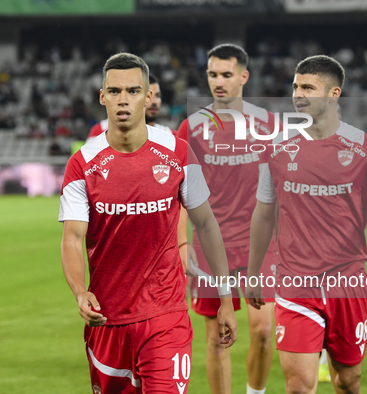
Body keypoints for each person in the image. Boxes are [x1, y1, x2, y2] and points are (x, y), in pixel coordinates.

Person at [59, 53, 238, 394]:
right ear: (102, 97)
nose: (123, 99)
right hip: (107, 319)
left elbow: (207, 225)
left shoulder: (179, 153)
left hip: (165, 315)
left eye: (133, 91)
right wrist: (80, 292)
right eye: (114, 91)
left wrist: (225, 299)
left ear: (148, 96)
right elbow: (72, 238)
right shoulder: (81, 164)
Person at [247, 55, 367, 394]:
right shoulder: (278, 149)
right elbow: (264, 213)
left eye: (308, 87)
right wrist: (254, 272)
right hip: (295, 283)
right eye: (295, 86)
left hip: (348, 284)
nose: (298, 94)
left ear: (334, 93)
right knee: (298, 385)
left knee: (348, 381)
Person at [177, 44, 279, 394]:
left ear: (243, 77)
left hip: (259, 246)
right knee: (218, 338)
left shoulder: (268, 125)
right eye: (212, 75)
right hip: (210, 246)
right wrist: (183, 241)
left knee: (263, 333)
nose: (218, 82)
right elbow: (179, 192)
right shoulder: (191, 128)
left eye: (226, 75)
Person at [87, 74, 175, 141]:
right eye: (147, 96)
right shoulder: (101, 131)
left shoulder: (170, 136)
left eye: (158, 95)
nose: (154, 102)